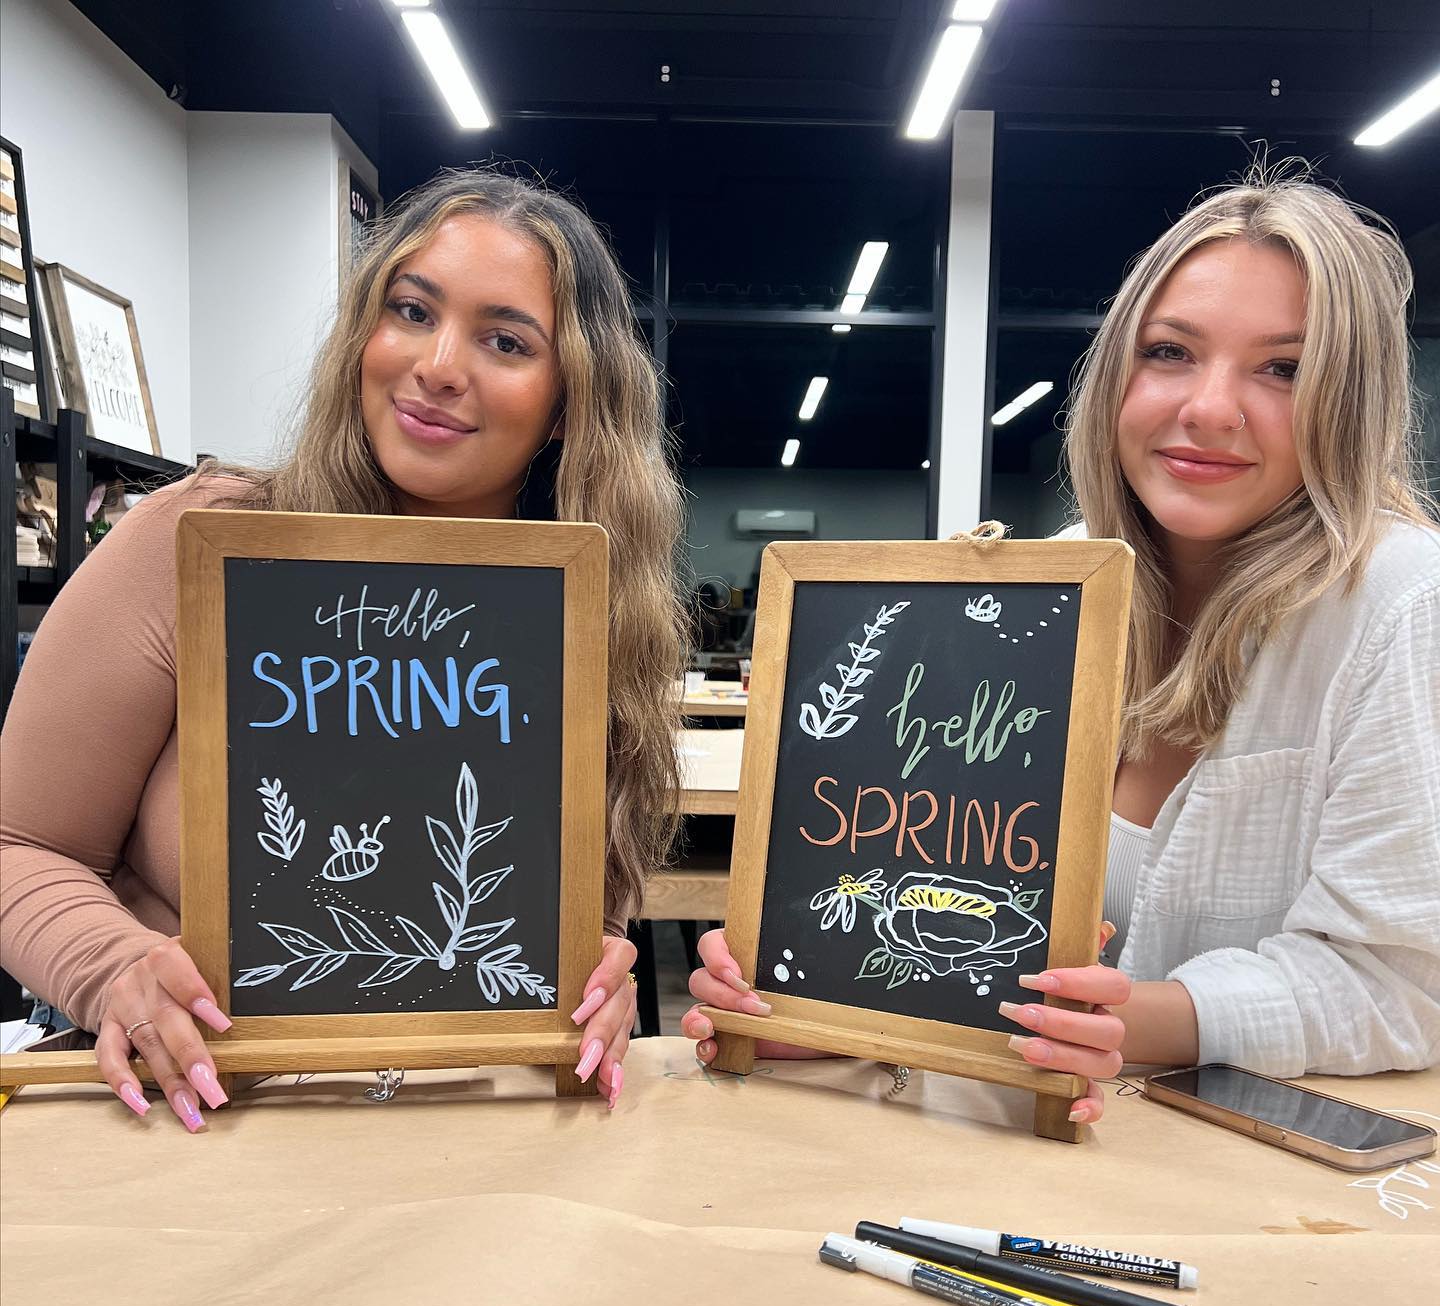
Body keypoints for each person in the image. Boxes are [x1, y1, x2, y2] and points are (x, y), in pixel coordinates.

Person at [684, 168, 1440, 1121]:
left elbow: (1400, 989)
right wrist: (837, 1002)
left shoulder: (1403, 601)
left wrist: (1134, 1021)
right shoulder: (1049, 591)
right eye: (1170, 351)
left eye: (1283, 367)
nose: (1209, 407)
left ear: (1353, 397)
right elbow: (959, 900)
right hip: (1002, 1153)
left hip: (1251, 1198)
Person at [0, 168, 687, 1126]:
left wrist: (598, 978)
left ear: (571, 398)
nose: (440, 364)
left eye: (505, 339)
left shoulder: (586, 624)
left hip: (474, 1146)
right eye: (412, 309)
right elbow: (20, 843)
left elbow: (563, 935)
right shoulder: (194, 547)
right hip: (198, 1128)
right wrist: (115, 970)